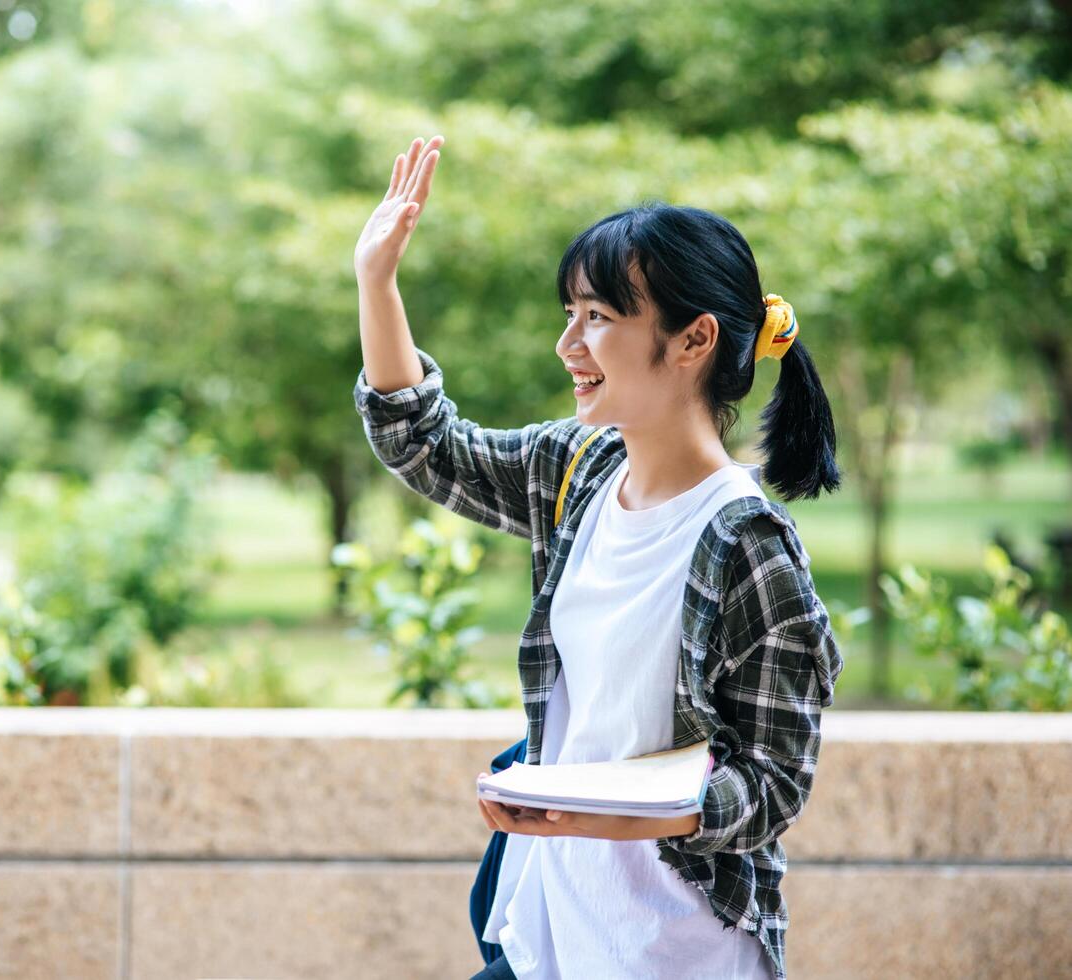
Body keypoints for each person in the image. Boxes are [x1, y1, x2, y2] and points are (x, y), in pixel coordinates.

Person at [351, 135, 845, 980]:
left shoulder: (745, 542)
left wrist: (648, 816)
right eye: (569, 314)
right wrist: (376, 281)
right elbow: (424, 443)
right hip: (548, 926)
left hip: (672, 947)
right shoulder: (578, 470)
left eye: (600, 318)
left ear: (692, 342)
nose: (567, 344)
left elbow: (772, 783)